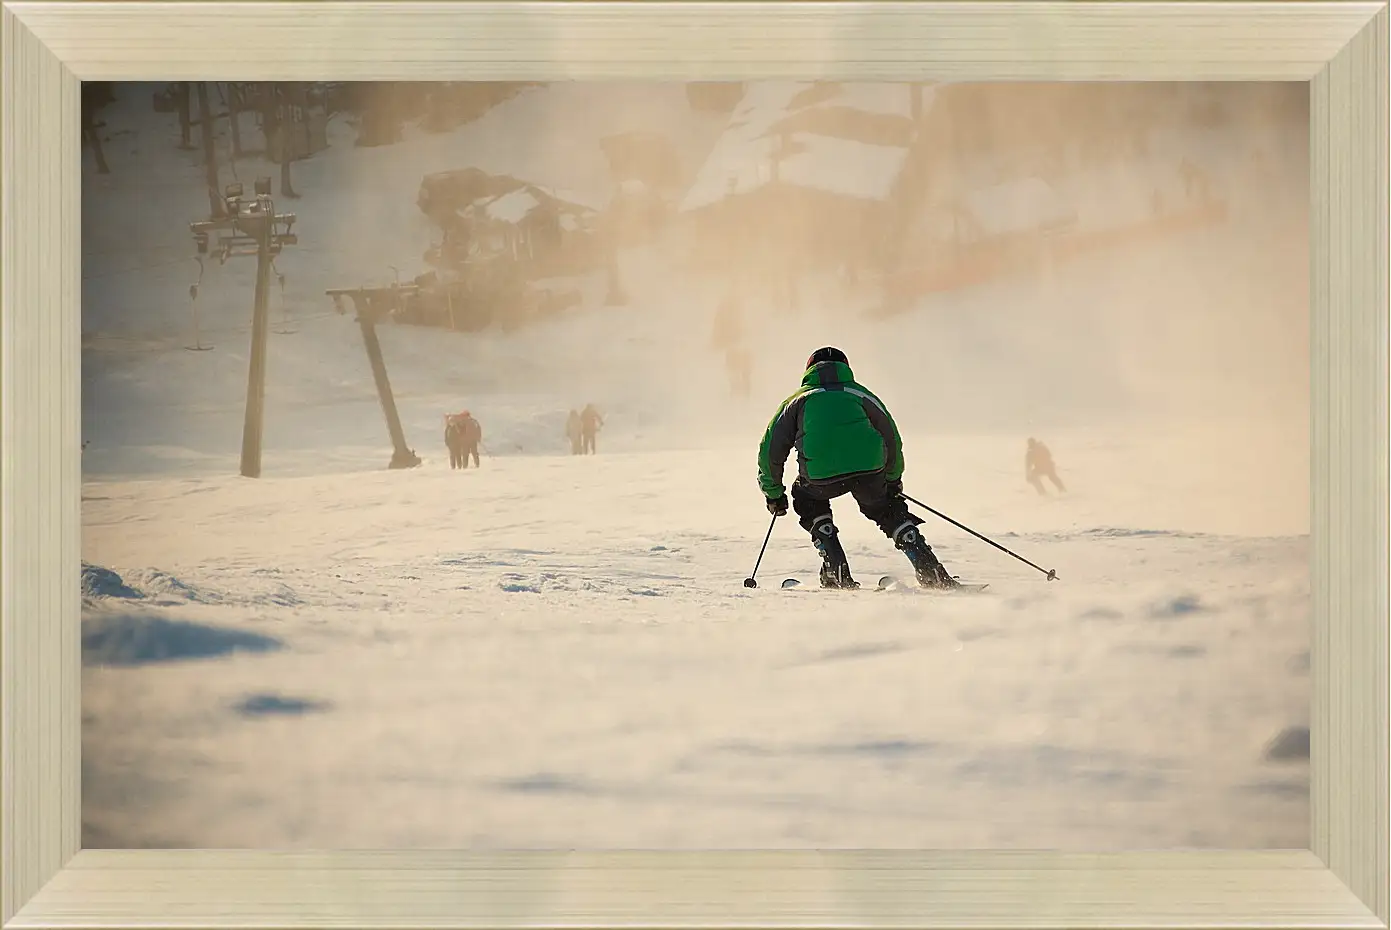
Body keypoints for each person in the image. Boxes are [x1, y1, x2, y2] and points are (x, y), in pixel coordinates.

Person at [756, 346, 958, 589]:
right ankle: (930, 570)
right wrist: (892, 481)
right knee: (886, 509)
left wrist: (774, 494)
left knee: (806, 496)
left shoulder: (797, 401)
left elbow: (770, 451)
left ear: (808, 370)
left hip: (820, 477)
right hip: (869, 471)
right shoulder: (861, 394)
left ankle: (834, 566)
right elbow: (891, 438)